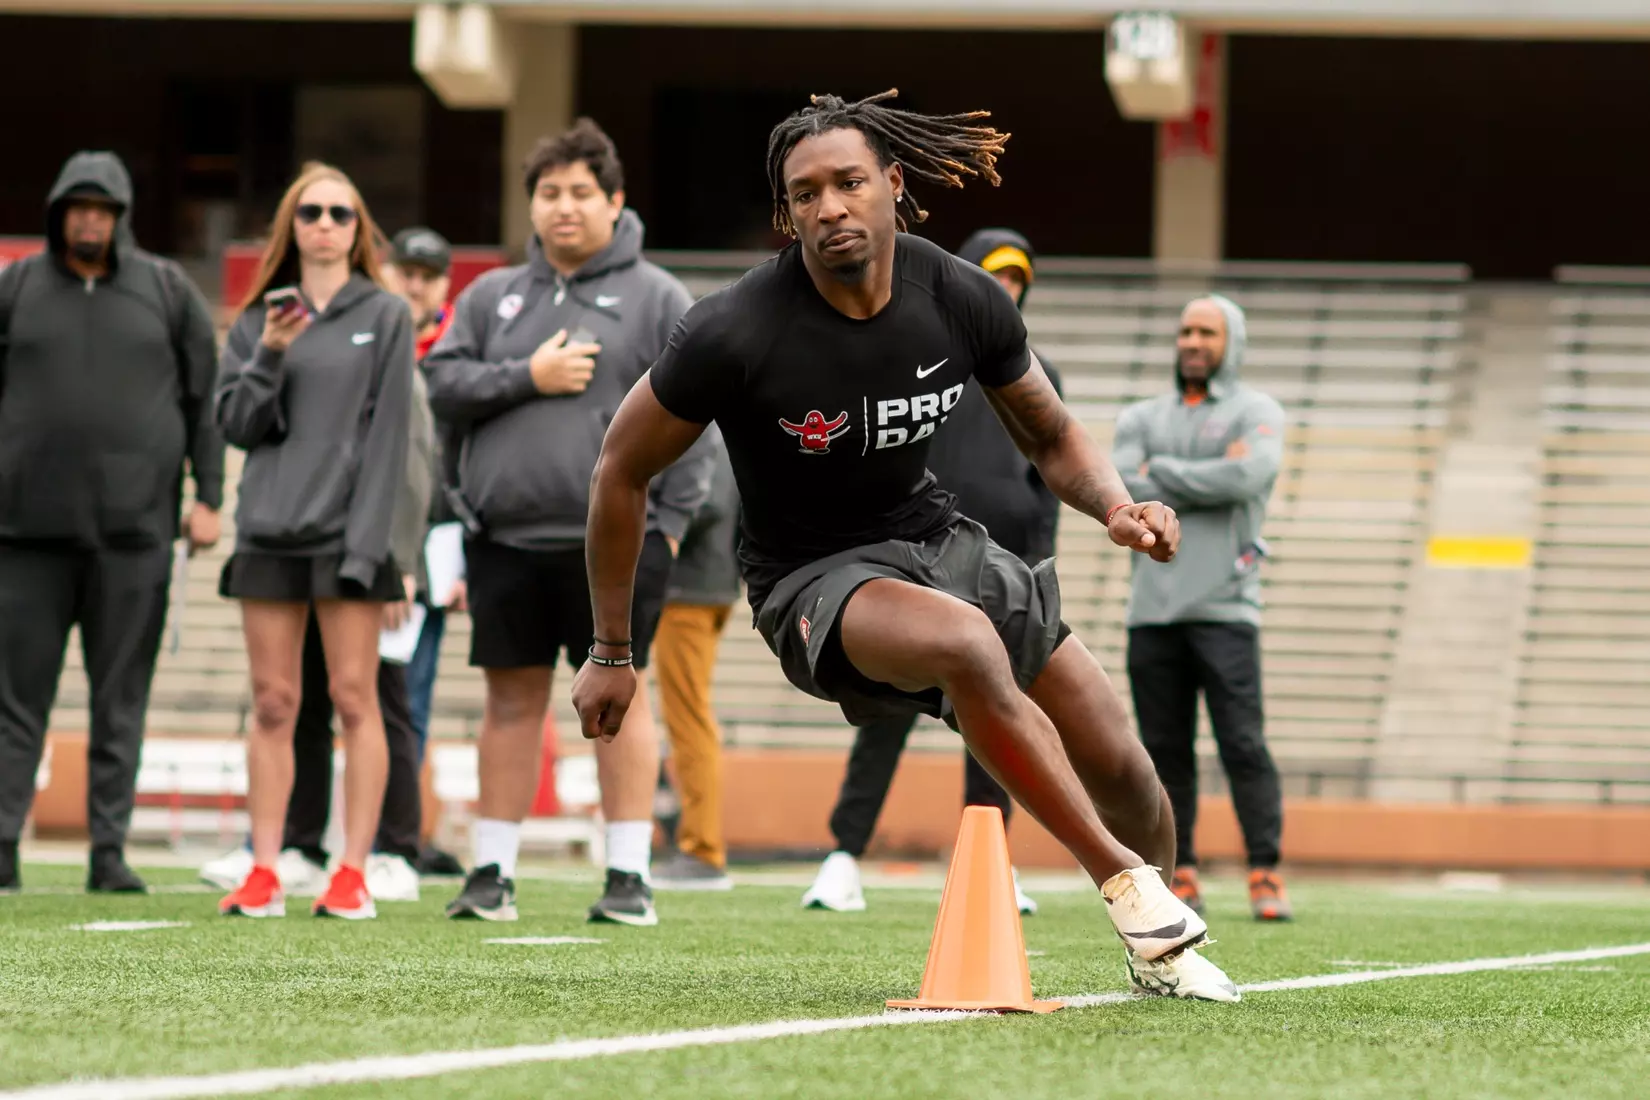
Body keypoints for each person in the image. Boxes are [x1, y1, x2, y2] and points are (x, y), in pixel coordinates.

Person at [574, 89, 1238, 1001]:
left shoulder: (959, 297)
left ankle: (1157, 946)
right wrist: (613, 650)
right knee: (964, 644)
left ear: (894, 183)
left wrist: (1116, 506)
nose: (829, 207)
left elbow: (1049, 436)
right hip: (809, 578)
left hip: (932, 537)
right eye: (804, 194)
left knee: (1125, 763)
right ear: (786, 213)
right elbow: (619, 467)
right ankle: (1124, 884)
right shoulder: (732, 329)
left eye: (848, 182)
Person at [426, 119, 715, 926]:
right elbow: (441, 382)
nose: (563, 208)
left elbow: (700, 413)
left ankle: (629, 877)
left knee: (620, 704)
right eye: (548, 193)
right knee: (509, 703)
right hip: (504, 538)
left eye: (581, 193)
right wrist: (529, 374)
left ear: (615, 201)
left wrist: (671, 526)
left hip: (619, 551)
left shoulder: (656, 294)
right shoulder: (489, 296)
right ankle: (492, 871)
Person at [802, 228, 1058, 918]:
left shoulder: (1037, 372)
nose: (1006, 292)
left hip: (997, 570)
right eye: (993, 278)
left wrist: (1036, 566)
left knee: (995, 722)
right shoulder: (921, 356)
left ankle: (991, 860)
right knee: (884, 715)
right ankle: (842, 857)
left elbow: (1047, 476)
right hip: (915, 559)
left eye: (1016, 281)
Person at [0, 150, 224, 895]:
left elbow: (205, 401)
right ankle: (2, 844)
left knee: (119, 699)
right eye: (77, 206)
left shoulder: (165, 289)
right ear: (58, 211)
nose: (89, 219)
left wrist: (209, 496)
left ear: (121, 218)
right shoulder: (18, 286)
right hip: (25, 534)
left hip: (135, 535)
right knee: (13, 699)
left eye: (103, 208)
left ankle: (109, 850)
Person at [213, 162, 415, 920]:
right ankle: (264, 870)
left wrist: (371, 550)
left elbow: (390, 438)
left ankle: (351, 871)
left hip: (348, 540)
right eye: (310, 212)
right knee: (272, 703)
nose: (325, 224)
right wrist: (267, 349)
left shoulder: (386, 314)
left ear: (358, 228)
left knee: (355, 700)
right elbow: (236, 426)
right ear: (289, 227)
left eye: (340, 212)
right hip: (266, 532)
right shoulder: (258, 316)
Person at [1112, 294, 1291, 922]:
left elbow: (1250, 477)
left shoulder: (1257, 410)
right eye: (1185, 330)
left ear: (1231, 342)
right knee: (1165, 751)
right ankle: (1177, 871)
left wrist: (1164, 472)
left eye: (1207, 333)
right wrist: (1201, 473)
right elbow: (1126, 488)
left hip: (1226, 610)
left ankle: (1265, 870)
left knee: (1243, 744)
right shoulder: (1139, 414)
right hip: (1151, 612)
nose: (1192, 341)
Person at [382, 226, 466, 878]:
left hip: (434, 538)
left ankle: (399, 832)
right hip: (359, 535)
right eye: (406, 271)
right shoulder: (366, 335)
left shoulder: (459, 348)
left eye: (427, 274)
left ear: (444, 283)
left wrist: (460, 551)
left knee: (411, 697)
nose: (415, 283)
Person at [650, 440, 739, 891]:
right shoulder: (721, 431)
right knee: (689, 716)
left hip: (691, 590)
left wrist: (647, 508)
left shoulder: (703, 430)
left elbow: (709, 502)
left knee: (688, 719)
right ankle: (699, 845)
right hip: (708, 584)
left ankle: (702, 848)